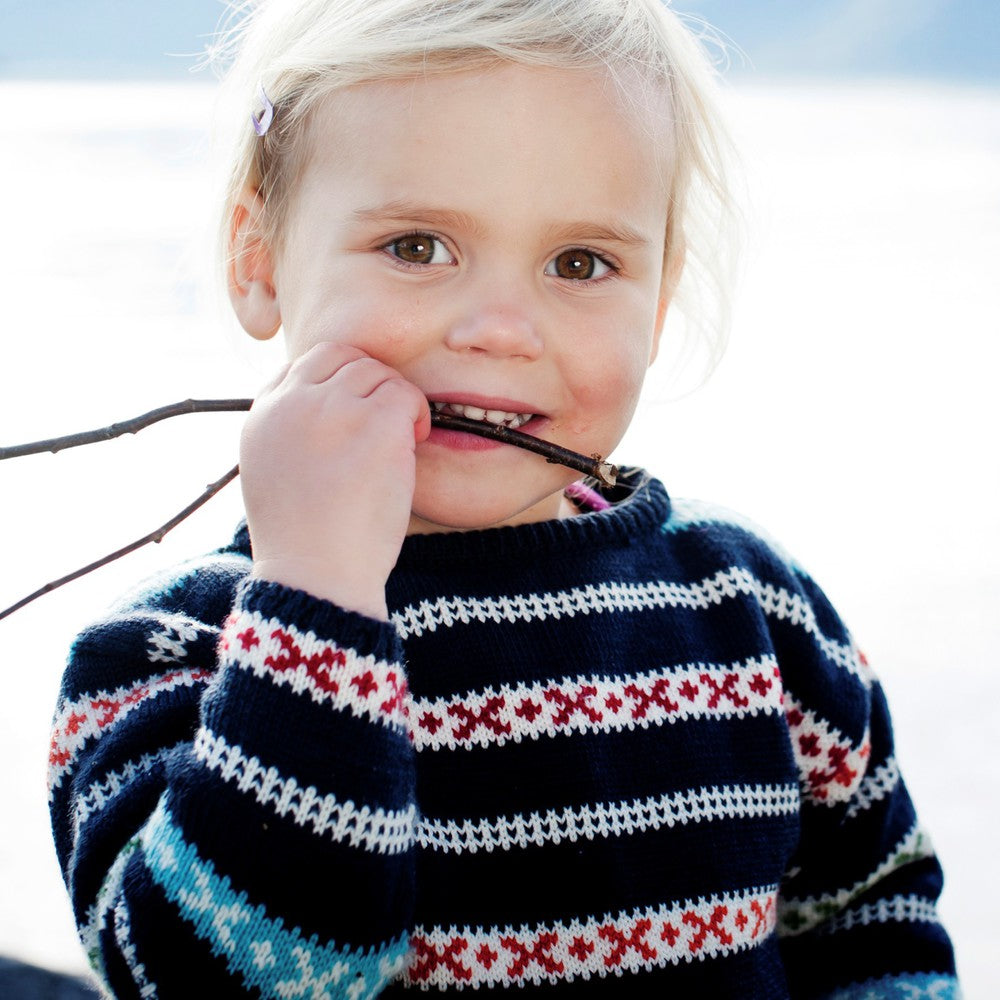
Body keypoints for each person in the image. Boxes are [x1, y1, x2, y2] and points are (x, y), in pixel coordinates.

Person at [47, 0, 960, 996]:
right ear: (256, 259)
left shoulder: (752, 606)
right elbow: (227, 983)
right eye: (417, 246)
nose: (499, 328)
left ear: (655, 306)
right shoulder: (168, 651)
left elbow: (876, 918)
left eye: (580, 264)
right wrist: (316, 603)